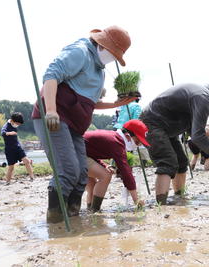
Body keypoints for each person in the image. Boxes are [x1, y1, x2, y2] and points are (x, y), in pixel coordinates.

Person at [32, 25, 134, 223]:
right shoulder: (80, 52)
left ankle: (73, 218)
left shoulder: (99, 70)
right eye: (114, 54)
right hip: (56, 118)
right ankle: (56, 223)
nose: (113, 59)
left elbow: (90, 103)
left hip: (75, 127)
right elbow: (51, 75)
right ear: (103, 45)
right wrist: (51, 110)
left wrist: (116, 104)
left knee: (80, 174)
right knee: (68, 170)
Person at [140, 74, 209, 205]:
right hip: (153, 124)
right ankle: (161, 205)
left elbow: (193, 130)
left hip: (168, 129)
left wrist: (204, 131)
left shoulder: (207, 97)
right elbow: (197, 137)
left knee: (181, 162)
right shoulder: (203, 97)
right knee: (167, 161)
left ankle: (179, 198)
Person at [84, 120, 148, 212]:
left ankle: (90, 210)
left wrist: (103, 165)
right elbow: (126, 172)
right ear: (127, 136)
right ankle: (95, 211)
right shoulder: (117, 142)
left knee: (92, 184)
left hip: (78, 151)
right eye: (138, 142)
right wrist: (136, 200)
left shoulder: (115, 138)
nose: (138, 145)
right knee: (105, 175)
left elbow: (91, 151)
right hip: (74, 153)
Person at [1, 112, 34, 184]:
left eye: (19, 124)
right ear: (12, 121)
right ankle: (8, 181)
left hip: (18, 147)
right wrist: (9, 133)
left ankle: (32, 177)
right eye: (17, 124)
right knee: (11, 167)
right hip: (9, 149)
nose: (18, 125)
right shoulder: (6, 126)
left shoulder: (15, 125)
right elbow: (3, 133)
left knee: (27, 161)